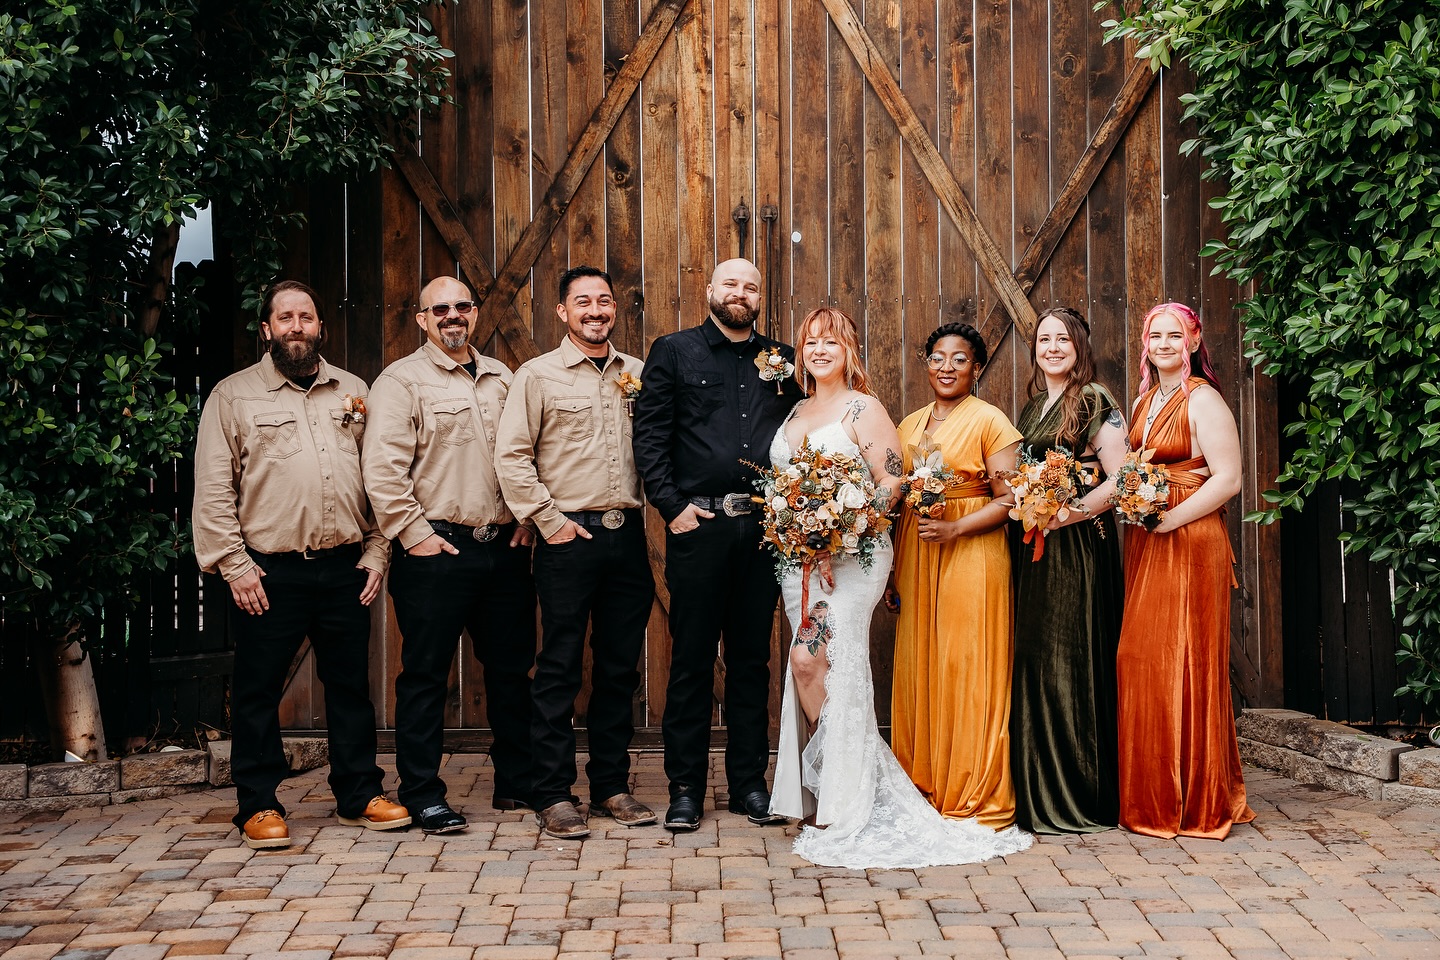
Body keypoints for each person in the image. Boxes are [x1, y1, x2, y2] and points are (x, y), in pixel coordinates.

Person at [768, 308, 1032, 868]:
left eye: (831, 341)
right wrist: (796, 525)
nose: (819, 349)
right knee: (810, 665)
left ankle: (848, 792)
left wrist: (839, 527)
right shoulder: (794, 410)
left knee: (812, 661)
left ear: (849, 350)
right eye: (810, 341)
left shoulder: (865, 409)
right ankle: (830, 790)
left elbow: (891, 483)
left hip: (849, 557)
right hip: (801, 562)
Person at [193, 280, 409, 849]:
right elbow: (213, 489)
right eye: (284, 318)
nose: (296, 327)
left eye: (306, 317)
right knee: (259, 689)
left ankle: (359, 793)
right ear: (266, 330)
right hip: (268, 570)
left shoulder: (355, 392)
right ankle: (258, 805)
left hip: (345, 568)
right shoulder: (233, 397)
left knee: (350, 688)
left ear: (320, 327)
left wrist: (377, 551)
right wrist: (234, 565)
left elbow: (382, 479)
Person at [631, 258, 802, 831]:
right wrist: (672, 507)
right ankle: (685, 789)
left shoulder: (780, 360)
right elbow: (650, 434)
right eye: (730, 284)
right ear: (710, 291)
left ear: (759, 297)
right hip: (698, 528)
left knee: (753, 661)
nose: (740, 293)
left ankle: (749, 787)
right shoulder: (675, 351)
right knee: (692, 662)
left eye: (751, 286)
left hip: (761, 531)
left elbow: (803, 434)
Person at [363, 276, 537, 835]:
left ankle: (516, 781)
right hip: (435, 547)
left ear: (476, 312)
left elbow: (527, 453)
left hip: (503, 549)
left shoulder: (503, 379)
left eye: (462, 306)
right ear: (422, 319)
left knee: (511, 673)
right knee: (425, 677)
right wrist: (411, 534)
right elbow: (383, 470)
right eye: (440, 308)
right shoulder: (400, 382)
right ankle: (422, 792)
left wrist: (527, 518)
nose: (453, 315)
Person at [495, 266, 656, 840]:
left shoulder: (640, 374)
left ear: (616, 310)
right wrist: (548, 521)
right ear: (562, 312)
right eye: (582, 302)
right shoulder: (536, 377)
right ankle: (553, 793)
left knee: (618, 668)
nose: (595, 310)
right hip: (568, 537)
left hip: (626, 536)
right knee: (559, 668)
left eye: (604, 301)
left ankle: (611, 785)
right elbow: (512, 457)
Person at [1116, 302, 1255, 839]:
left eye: (1176, 335)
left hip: (1191, 540)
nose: (1165, 343)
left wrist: (1168, 519)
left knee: (1187, 662)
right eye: (1156, 335)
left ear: (1194, 342)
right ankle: (1152, 796)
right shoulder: (1144, 400)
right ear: (1145, 342)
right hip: (1148, 541)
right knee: (1142, 659)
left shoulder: (1205, 400)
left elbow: (1228, 479)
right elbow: (1133, 470)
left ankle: (1195, 801)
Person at [885, 321, 1025, 829]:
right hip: (919, 554)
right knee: (920, 663)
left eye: (959, 359)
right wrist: (892, 571)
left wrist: (958, 528)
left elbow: (1011, 501)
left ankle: (971, 786)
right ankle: (923, 781)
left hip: (973, 552)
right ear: (926, 362)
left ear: (977, 367)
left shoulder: (992, 421)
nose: (947, 367)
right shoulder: (907, 425)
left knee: (966, 665)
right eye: (938, 357)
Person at [1008, 306, 1127, 834]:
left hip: (1079, 547)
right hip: (1036, 547)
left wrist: (1069, 513)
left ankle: (1081, 791)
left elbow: (1123, 479)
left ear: (1080, 345)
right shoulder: (1034, 406)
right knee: (1037, 658)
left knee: (1070, 657)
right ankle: (1038, 788)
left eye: (1062, 338)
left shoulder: (1095, 401)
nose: (1051, 347)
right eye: (1043, 339)